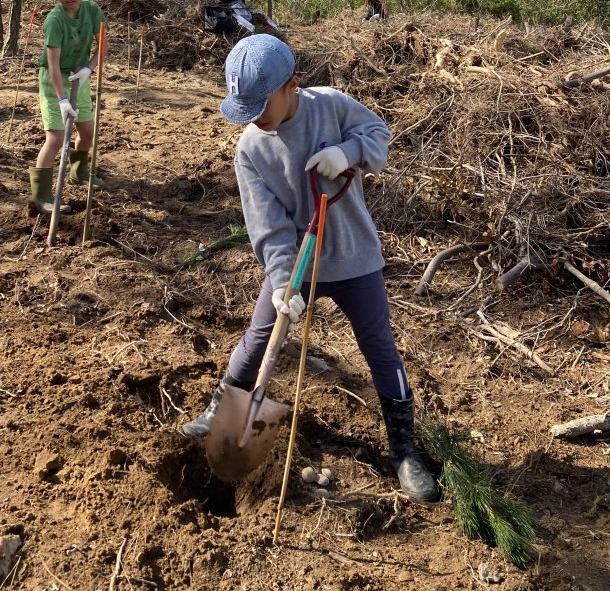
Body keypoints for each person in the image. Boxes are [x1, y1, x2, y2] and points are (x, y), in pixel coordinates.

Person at [181, 34, 437, 502]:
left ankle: (404, 451)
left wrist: (349, 153)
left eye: (262, 104)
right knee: (259, 338)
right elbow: (268, 224)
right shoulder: (250, 150)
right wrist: (283, 281)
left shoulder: (331, 107)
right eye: (245, 106)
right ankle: (222, 409)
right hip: (297, 263)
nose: (255, 116)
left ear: (292, 85)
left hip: (354, 255)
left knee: (379, 347)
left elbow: (379, 134)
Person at [28, 0, 106, 213]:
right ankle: (40, 196)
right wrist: (61, 99)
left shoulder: (92, 10)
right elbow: (52, 65)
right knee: (56, 137)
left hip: (79, 77)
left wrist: (89, 68)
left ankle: (79, 172)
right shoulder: (54, 21)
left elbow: (103, 43)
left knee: (87, 131)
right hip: (54, 82)